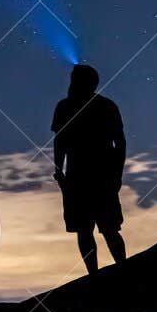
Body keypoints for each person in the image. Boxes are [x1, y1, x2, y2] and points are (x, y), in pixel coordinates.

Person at [51, 63, 127, 274]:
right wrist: (59, 171)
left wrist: (116, 174)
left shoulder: (101, 106)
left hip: (95, 176)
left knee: (104, 228)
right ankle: (100, 273)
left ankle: (119, 270)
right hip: (83, 176)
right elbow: (60, 141)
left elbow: (119, 142)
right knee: (90, 229)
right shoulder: (70, 107)